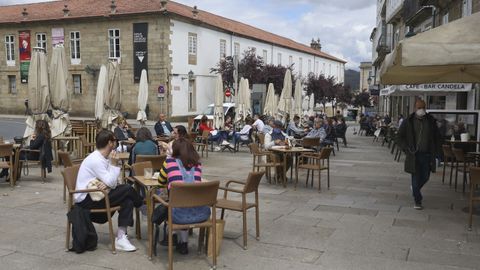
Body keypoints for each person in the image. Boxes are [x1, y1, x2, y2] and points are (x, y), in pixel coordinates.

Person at [75, 129, 143, 251]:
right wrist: (114, 165)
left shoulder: (103, 157)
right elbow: (112, 182)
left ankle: (121, 238)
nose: (116, 143)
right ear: (110, 143)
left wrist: (107, 184)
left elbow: (112, 183)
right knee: (127, 188)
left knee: (127, 199)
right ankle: (141, 204)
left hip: (98, 194)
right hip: (87, 200)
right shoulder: (96, 159)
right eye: (115, 141)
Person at [159, 138, 205, 255]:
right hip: (199, 213)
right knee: (186, 201)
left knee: (171, 202)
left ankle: (172, 235)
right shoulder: (198, 165)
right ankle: (183, 244)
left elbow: (160, 181)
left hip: (177, 214)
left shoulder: (169, 162)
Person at [397, 100, 440, 210]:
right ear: (415, 108)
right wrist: (406, 149)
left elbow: (437, 137)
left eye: (423, 107)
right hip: (413, 155)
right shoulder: (408, 121)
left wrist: (437, 152)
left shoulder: (430, 121)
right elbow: (399, 137)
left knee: (425, 177)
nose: (421, 109)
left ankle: (415, 189)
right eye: (419, 107)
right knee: (415, 178)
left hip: (427, 155)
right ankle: (418, 200)